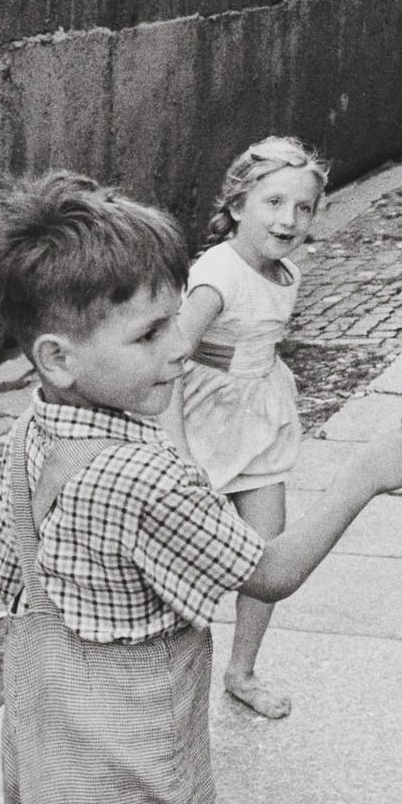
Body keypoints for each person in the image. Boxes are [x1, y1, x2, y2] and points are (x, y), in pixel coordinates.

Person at [0, 171, 402, 804]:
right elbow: (270, 571)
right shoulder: (145, 474)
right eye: (151, 334)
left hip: (47, 774)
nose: (181, 347)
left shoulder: (30, 434)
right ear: (59, 359)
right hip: (137, 796)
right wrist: (362, 476)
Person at [173, 136, 331, 719]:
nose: (288, 219)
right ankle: (170, 675)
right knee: (187, 560)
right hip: (203, 426)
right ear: (239, 205)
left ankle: (241, 671)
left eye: (304, 207)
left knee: (268, 555)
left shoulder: (286, 268)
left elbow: (261, 332)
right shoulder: (216, 275)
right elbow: (174, 356)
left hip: (259, 421)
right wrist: (177, 452)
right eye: (273, 202)